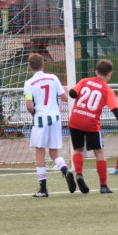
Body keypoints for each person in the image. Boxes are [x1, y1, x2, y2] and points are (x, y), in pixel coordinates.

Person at [68, 59, 118, 194]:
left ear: (96, 72)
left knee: (78, 150)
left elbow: (72, 94)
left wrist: (70, 90)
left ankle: (79, 174)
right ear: (110, 74)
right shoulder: (107, 90)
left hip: (75, 120)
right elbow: (115, 110)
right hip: (91, 123)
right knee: (99, 153)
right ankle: (103, 186)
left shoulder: (84, 81)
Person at [23, 52, 73, 197]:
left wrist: (34, 113)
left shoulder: (29, 83)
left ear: (30, 67)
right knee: (54, 152)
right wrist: (65, 91)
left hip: (41, 119)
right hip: (55, 118)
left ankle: (43, 189)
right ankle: (65, 170)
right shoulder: (53, 78)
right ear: (43, 65)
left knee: (40, 151)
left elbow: (29, 105)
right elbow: (65, 98)